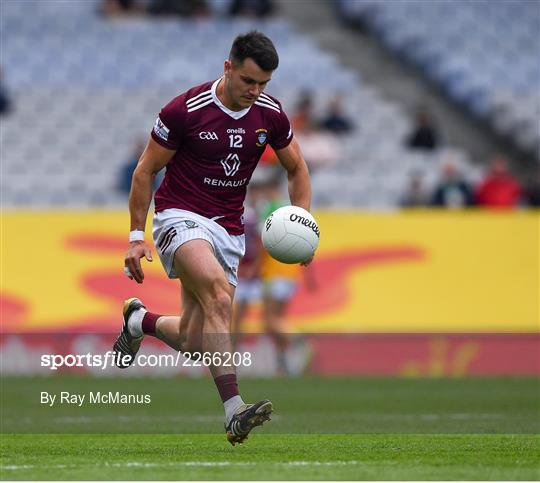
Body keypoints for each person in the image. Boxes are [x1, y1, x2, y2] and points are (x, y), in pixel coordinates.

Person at [114, 31, 312, 445]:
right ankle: (233, 409)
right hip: (179, 217)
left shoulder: (270, 115)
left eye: (263, 85)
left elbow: (297, 169)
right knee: (220, 297)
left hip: (228, 228)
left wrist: (303, 221)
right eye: (248, 81)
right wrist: (136, 236)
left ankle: (139, 320)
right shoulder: (185, 110)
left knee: (194, 341)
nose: (255, 92)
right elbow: (144, 171)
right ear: (228, 68)